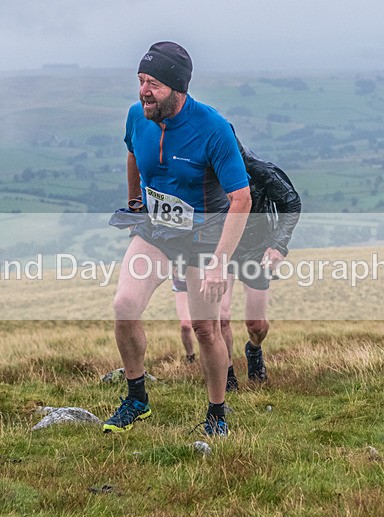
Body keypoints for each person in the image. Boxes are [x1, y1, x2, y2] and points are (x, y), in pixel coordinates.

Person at [104, 41, 251, 437]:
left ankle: (217, 412)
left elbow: (242, 198)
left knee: (206, 329)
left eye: (153, 83)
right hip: (157, 231)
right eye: (140, 80)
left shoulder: (214, 128)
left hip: (204, 239)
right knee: (124, 305)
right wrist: (135, 201)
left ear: (178, 88)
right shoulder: (138, 117)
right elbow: (133, 154)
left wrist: (221, 260)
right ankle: (137, 399)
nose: (143, 91)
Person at [220, 141, 302, 391]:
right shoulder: (206, 172)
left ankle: (254, 350)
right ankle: (227, 375)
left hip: (257, 249)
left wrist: (278, 245)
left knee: (255, 324)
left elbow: (292, 203)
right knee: (220, 317)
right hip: (219, 247)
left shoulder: (261, 171)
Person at [172, 274, 196, 363]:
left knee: (206, 325)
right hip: (182, 278)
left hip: (203, 275)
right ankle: (190, 357)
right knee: (185, 324)